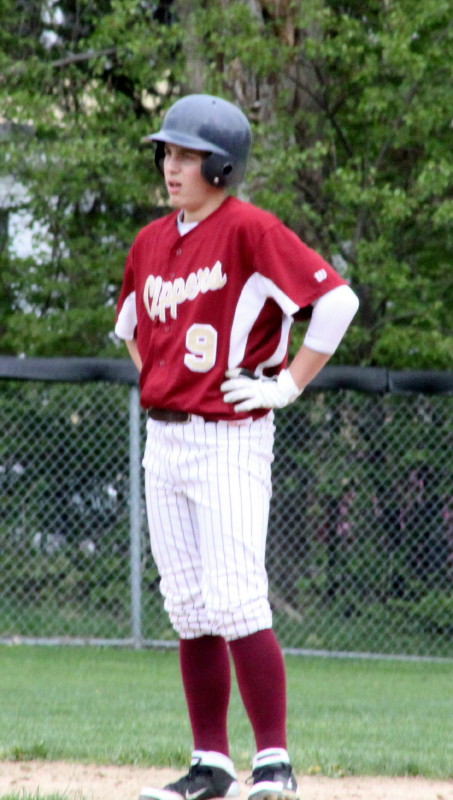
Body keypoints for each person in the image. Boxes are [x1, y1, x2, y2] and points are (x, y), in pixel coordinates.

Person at [115, 93, 359, 800]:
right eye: (167, 153)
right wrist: (165, 381)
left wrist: (286, 385)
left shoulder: (250, 229)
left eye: (188, 156)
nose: (172, 167)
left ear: (221, 167)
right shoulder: (150, 242)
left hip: (229, 440)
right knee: (188, 606)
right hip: (165, 441)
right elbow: (130, 327)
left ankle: (273, 763)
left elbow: (336, 303)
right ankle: (211, 765)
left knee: (236, 600)